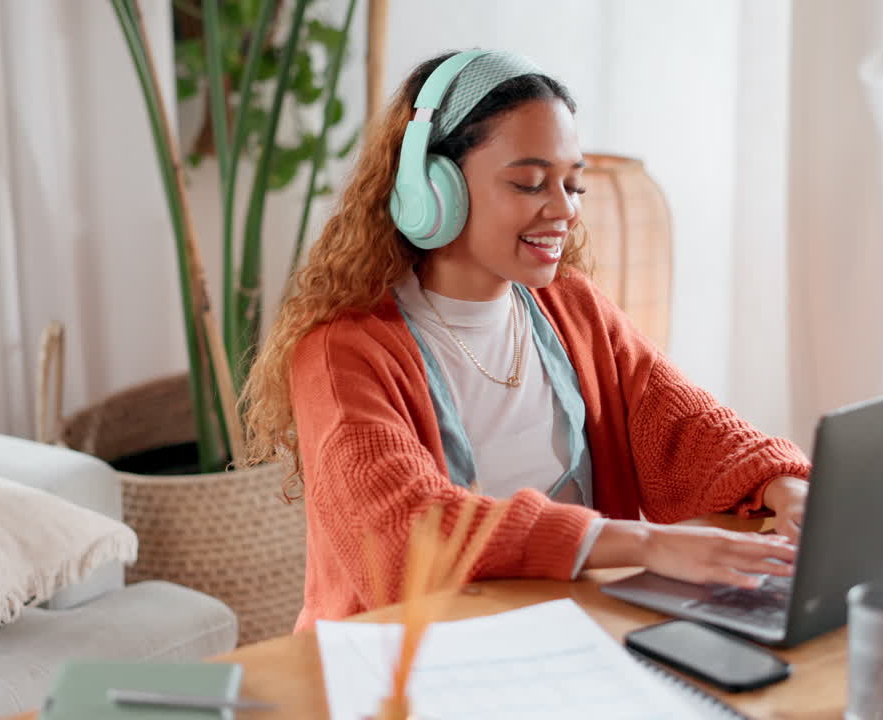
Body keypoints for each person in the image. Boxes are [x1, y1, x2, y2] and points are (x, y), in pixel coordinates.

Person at [241, 49, 812, 631]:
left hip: (574, 634)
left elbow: (686, 431)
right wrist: (646, 543)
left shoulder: (574, 307)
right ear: (431, 188)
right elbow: (404, 534)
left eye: (573, 184)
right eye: (530, 183)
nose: (565, 210)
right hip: (401, 660)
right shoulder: (341, 353)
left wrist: (782, 486)